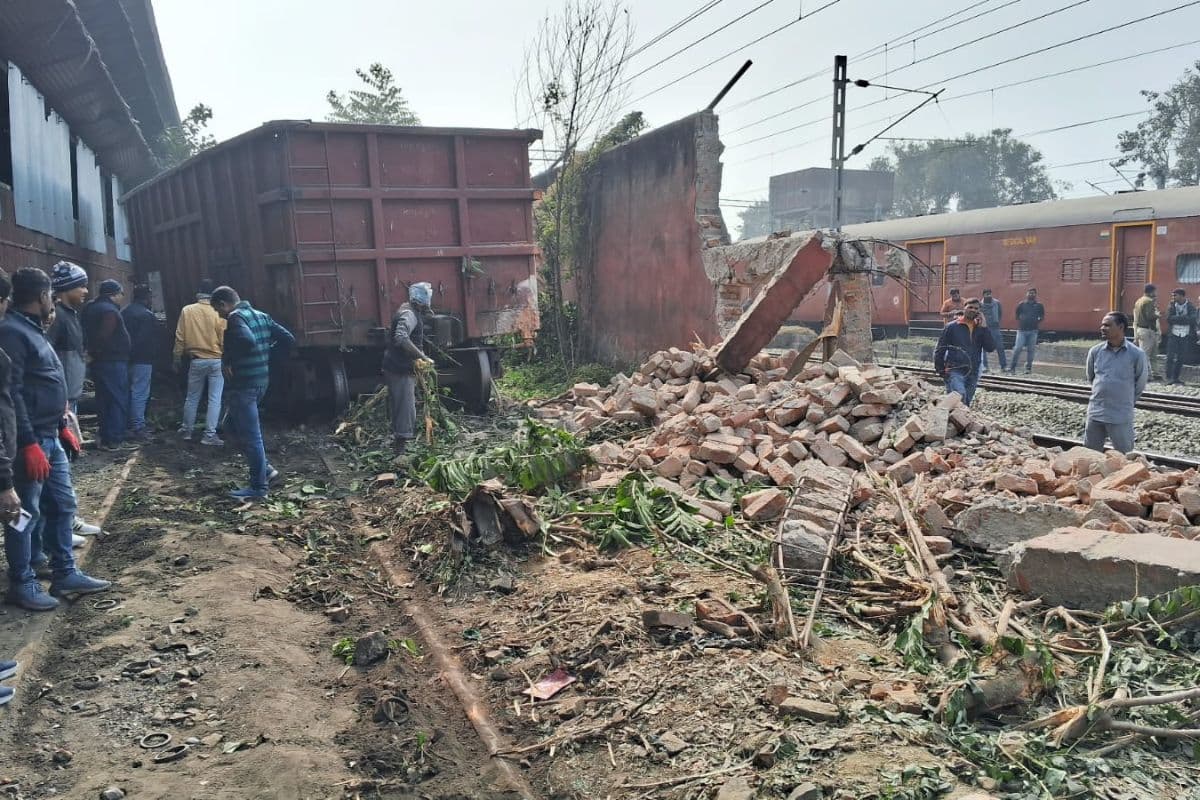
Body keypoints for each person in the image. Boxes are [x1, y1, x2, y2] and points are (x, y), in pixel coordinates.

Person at [0, 267, 110, 610]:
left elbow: (41, 382)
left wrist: (62, 418)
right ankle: (23, 581)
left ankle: (65, 570)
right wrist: (28, 442)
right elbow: (12, 394)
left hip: (50, 435)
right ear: (44, 295)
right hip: (30, 443)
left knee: (62, 505)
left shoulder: (32, 330)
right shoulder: (12, 334)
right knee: (22, 514)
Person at [209, 286, 294, 501]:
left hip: (244, 385)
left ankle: (258, 488)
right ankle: (266, 471)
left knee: (251, 437)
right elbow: (288, 338)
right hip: (260, 382)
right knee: (230, 427)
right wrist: (266, 353)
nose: (219, 315)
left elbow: (246, 341)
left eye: (217, 310)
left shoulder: (236, 317)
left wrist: (228, 358)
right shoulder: (262, 316)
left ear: (223, 304)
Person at [46, 262, 102, 540]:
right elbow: (49, 363)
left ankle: (69, 521)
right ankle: (62, 527)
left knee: (66, 464)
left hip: (70, 400)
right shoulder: (56, 319)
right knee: (60, 466)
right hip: (61, 404)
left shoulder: (70, 314)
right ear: (66, 288)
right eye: (81, 285)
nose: (85, 290)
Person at [1085, 311, 1149, 454]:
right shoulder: (1095, 351)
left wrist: (1126, 401)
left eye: (1107, 325)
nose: (1102, 328)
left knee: (1125, 455)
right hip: (1096, 412)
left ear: (1120, 327)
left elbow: (1140, 383)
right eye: (1102, 325)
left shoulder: (1136, 354)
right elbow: (1091, 377)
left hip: (1120, 414)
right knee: (1090, 455)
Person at [80, 280, 134, 451]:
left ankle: (104, 437)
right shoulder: (109, 311)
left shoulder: (90, 308)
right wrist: (94, 352)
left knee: (103, 399)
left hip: (99, 363)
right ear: (114, 294)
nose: (122, 297)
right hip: (112, 361)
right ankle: (115, 440)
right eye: (121, 294)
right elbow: (104, 336)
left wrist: (91, 354)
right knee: (118, 399)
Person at [382, 282, 435, 453]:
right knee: (405, 407)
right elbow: (401, 337)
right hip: (400, 368)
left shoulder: (409, 309)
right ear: (421, 299)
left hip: (398, 366)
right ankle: (400, 451)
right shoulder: (409, 314)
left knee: (403, 405)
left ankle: (401, 445)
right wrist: (422, 356)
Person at [174, 279, 227, 445]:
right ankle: (209, 435)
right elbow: (223, 338)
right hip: (217, 361)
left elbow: (180, 337)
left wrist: (176, 358)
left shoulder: (187, 310)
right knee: (214, 399)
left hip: (196, 361)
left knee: (192, 397)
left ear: (198, 293)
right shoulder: (218, 311)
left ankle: (187, 431)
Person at [934, 296, 996, 406]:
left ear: (979, 312)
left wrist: (985, 327)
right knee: (960, 398)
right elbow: (940, 348)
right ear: (964, 308)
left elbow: (990, 348)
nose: (973, 310)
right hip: (955, 369)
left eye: (976, 309)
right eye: (970, 307)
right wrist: (940, 370)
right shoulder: (952, 327)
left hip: (973, 371)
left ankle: (952, 421)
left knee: (965, 404)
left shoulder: (980, 328)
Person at [122, 285, 159, 440]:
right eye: (150, 297)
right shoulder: (146, 315)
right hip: (142, 359)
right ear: (146, 297)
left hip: (124, 359)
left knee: (128, 392)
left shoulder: (124, 312)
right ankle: (138, 427)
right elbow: (145, 340)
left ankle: (128, 425)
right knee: (140, 393)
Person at [1008, 287, 1044, 374]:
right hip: (1022, 330)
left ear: (1035, 295)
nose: (1031, 294)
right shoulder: (1022, 304)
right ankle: (1012, 367)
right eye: (1030, 293)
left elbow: (1042, 316)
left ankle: (1028, 368)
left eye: (1033, 293)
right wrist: (1022, 320)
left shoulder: (1039, 305)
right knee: (1018, 348)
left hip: (1033, 331)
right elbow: (1017, 314)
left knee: (1031, 350)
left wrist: (1036, 321)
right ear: (1027, 294)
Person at [1164, 288, 1196, 386]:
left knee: (1181, 358)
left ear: (1182, 296)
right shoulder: (1171, 305)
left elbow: (1192, 319)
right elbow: (1169, 318)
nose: (1173, 297)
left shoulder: (1190, 306)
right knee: (1170, 357)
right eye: (1173, 295)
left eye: (1175, 295)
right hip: (1173, 334)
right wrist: (1184, 319)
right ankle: (1168, 378)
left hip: (1185, 334)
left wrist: (1177, 319)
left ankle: (1176, 377)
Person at [1133, 283, 1162, 380]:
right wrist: (1158, 314)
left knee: (1152, 354)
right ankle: (1146, 375)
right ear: (1151, 291)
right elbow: (1150, 316)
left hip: (1142, 330)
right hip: (1148, 330)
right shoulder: (1149, 301)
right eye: (1155, 291)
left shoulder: (1138, 301)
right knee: (1146, 355)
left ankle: (1154, 373)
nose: (1156, 293)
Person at [978, 288, 1006, 374]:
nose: (989, 296)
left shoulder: (996, 303)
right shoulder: (980, 305)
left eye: (990, 294)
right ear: (983, 295)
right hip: (984, 328)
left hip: (995, 328)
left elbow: (1000, 313)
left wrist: (996, 321)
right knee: (983, 349)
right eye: (987, 294)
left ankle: (1003, 366)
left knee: (1000, 347)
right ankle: (985, 367)